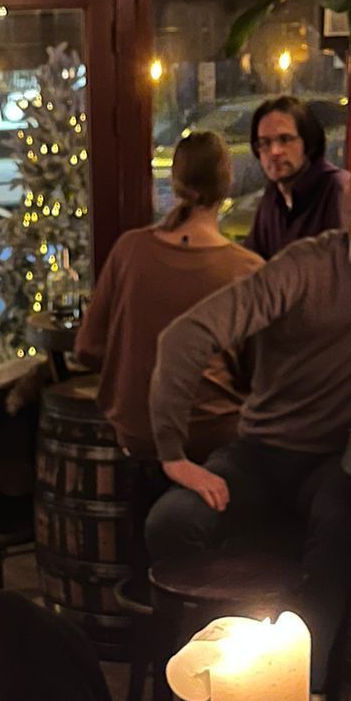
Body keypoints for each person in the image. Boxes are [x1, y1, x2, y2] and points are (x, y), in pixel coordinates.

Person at [145, 156, 351, 686]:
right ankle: (211, 681)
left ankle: (300, 689)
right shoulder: (306, 268)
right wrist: (173, 455)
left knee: (341, 520)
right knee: (171, 521)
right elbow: (184, 337)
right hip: (262, 451)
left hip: (348, 458)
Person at [75, 131, 260, 463]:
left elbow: (88, 348)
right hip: (212, 435)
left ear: (175, 182)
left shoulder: (129, 249)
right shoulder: (246, 269)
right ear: (228, 183)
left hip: (137, 432)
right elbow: (265, 373)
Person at [247, 97, 348, 260]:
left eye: (285, 139)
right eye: (265, 143)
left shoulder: (336, 188)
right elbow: (253, 260)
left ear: (308, 142)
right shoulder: (273, 195)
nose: (274, 151)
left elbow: (341, 266)